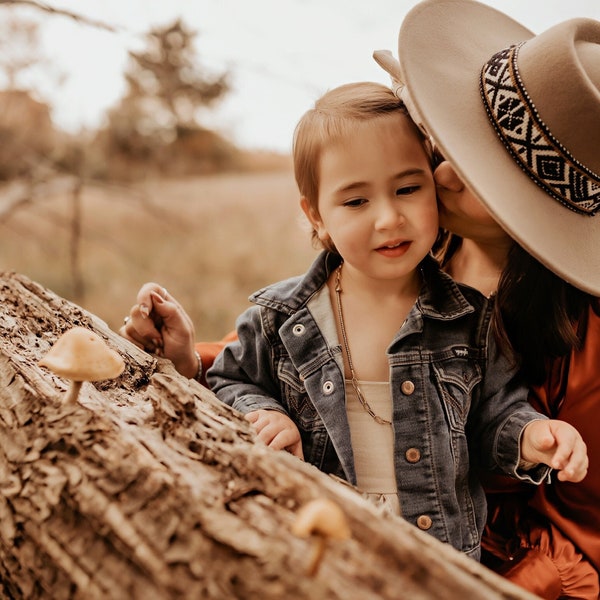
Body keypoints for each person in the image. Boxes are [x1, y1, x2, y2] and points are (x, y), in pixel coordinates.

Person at [121, 80, 587, 560]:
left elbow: (494, 414)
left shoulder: (471, 320)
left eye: (408, 189)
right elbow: (232, 379)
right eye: (356, 201)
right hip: (318, 547)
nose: (388, 218)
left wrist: (531, 436)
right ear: (316, 214)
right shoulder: (283, 317)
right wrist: (262, 414)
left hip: (439, 559)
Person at [373, 0, 600, 596]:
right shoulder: (415, 248)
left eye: (474, 177)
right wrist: (200, 360)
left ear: (535, 217)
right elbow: (308, 339)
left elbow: (582, 538)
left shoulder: (582, 354)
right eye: (448, 146)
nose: (441, 175)